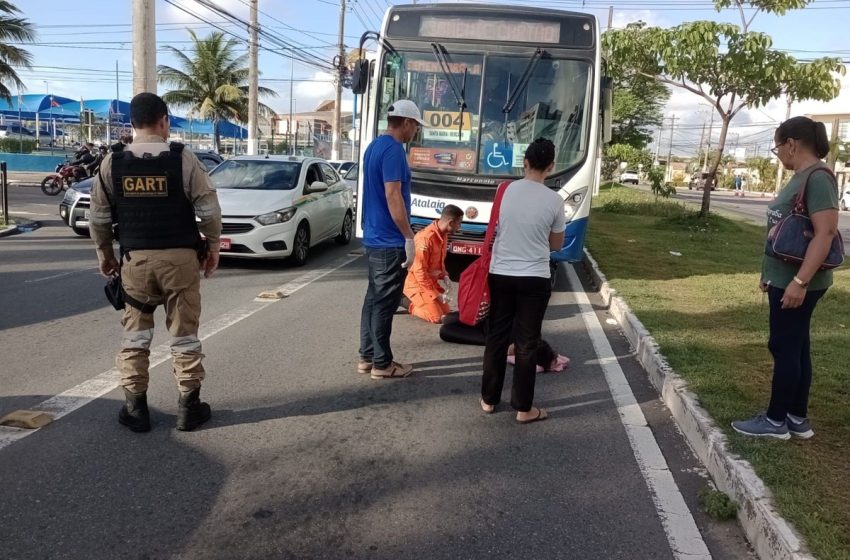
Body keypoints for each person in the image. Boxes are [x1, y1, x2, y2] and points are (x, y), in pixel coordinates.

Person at [89, 92, 222, 433]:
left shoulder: (112, 162)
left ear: (131, 123)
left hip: (136, 262)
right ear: (164, 121)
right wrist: (213, 250)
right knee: (184, 336)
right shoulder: (183, 158)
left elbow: (99, 219)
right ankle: (189, 408)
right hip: (180, 261)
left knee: (135, 337)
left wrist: (105, 257)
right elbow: (208, 211)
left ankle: (136, 409)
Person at [732, 116, 840, 440]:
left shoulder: (819, 177)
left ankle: (775, 421)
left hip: (799, 282)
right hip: (785, 277)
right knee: (796, 346)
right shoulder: (801, 176)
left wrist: (799, 283)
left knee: (784, 346)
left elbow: (826, 233)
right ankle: (796, 417)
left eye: (777, 147)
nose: (777, 153)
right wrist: (771, 275)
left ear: (791, 144)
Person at [479, 138, 566, 424]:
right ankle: (523, 408)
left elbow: (498, 228)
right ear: (551, 167)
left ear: (525, 162)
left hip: (501, 273)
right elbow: (555, 244)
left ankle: (489, 399)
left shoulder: (505, 191)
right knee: (527, 343)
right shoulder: (555, 200)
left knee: (497, 336)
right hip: (534, 278)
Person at [357, 99, 425, 380]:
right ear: (407, 123)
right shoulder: (395, 151)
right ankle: (382, 364)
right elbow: (393, 195)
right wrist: (409, 236)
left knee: (373, 299)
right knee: (385, 303)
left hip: (374, 236)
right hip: (389, 239)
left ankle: (367, 355)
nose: (416, 132)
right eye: (416, 127)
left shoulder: (373, 147)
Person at [403, 204, 463, 324]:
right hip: (418, 285)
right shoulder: (425, 239)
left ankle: (427, 302)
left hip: (430, 283)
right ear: (450, 222)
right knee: (436, 317)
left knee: (446, 312)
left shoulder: (443, 235)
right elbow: (419, 272)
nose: (459, 227)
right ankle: (405, 302)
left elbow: (439, 262)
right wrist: (436, 294)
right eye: (459, 223)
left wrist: (445, 276)